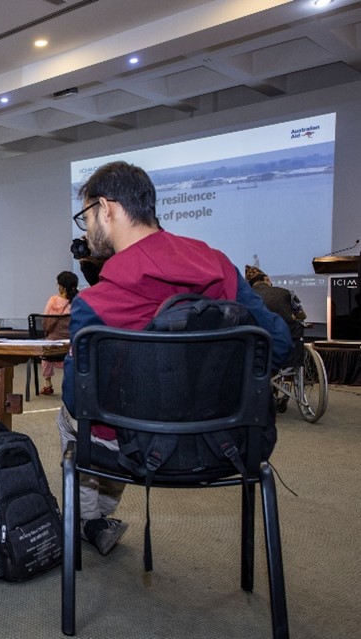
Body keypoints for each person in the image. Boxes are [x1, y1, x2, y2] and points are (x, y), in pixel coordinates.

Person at [59, 161, 292, 557]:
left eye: (87, 216)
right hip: (226, 444)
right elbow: (278, 344)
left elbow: (81, 402)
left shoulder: (95, 302)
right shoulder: (217, 265)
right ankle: (96, 521)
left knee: (71, 417)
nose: (88, 227)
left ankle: (87, 520)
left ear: (107, 208)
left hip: (136, 452)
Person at [38, 270, 77, 395]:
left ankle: (48, 383)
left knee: (46, 344)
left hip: (52, 346)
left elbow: (46, 323)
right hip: (73, 346)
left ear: (61, 287)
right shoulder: (79, 302)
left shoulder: (54, 300)